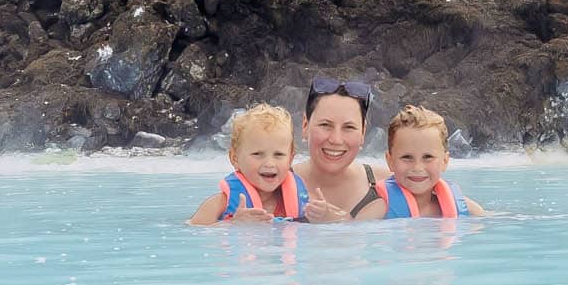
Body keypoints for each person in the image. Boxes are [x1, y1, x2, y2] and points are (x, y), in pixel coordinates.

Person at [186, 104, 310, 225]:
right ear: (235, 158)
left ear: (290, 159)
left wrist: (325, 216)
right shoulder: (220, 203)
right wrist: (233, 224)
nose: (269, 163)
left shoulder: (302, 202)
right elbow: (194, 229)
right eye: (257, 154)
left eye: (278, 155)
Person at [293, 77, 390, 222]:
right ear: (305, 126)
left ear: (363, 133)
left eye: (349, 127)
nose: (336, 140)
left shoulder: (389, 184)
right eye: (325, 125)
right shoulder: (271, 183)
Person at [375, 105, 486, 218]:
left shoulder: (469, 211)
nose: (417, 168)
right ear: (390, 161)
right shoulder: (376, 211)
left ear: (445, 161)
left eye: (428, 157)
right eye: (407, 157)